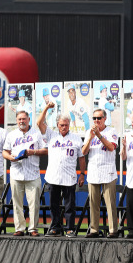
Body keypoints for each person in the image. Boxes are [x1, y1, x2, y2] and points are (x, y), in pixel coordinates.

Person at [37, 101, 86, 237]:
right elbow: (39, 123)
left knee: (70, 205)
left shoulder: (76, 138)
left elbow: (81, 158)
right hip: (53, 176)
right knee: (54, 205)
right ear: (57, 125)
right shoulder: (51, 135)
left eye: (66, 125)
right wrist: (46, 107)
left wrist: (82, 174)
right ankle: (55, 228)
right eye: (61, 125)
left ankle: (70, 228)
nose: (64, 127)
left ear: (69, 125)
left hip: (69, 177)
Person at [3, 110, 47, 237]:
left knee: (34, 203)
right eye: (19, 119)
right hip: (16, 172)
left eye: (24, 119)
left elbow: (45, 151)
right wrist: (11, 158)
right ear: (16, 121)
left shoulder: (37, 133)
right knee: (17, 203)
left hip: (32, 173)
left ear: (29, 119)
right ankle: (19, 228)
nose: (21, 121)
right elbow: (5, 152)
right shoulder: (11, 135)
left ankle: (33, 228)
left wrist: (32, 152)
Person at [82, 109, 119, 238]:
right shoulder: (89, 132)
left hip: (108, 171)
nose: (96, 121)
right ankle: (94, 230)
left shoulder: (112, 131)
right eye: (94, 118)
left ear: (105, 118)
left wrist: (99, 135)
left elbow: (111, 147)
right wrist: (90, 138)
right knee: (93, 203)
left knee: (110, 203)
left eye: (99, 118)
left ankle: (113, 230)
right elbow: (84, 152)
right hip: (93, 171)